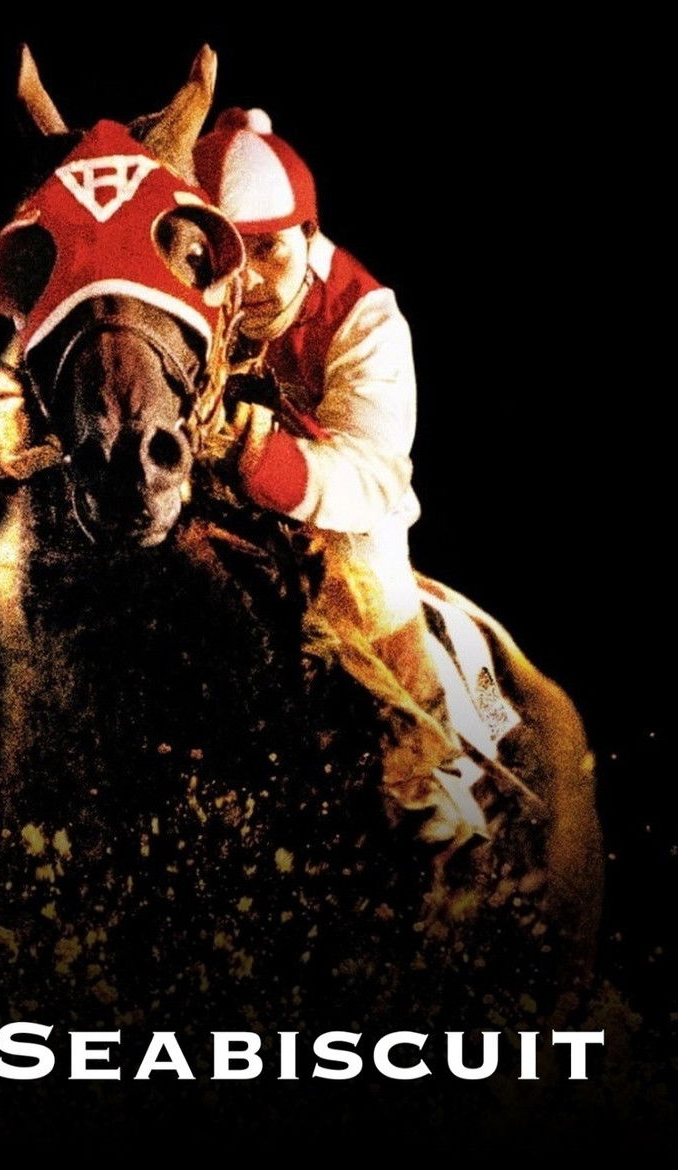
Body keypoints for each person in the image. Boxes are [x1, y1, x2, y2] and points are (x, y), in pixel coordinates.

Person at [194, 110, 489, 843]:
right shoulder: (180, 291)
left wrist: (255, 456)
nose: (246, 280)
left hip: (337, 510)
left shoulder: (367, 318)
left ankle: (428, 775)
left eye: (268, 249)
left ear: (308, 233)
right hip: (210, 498)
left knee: (370, 565)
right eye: (224, 253)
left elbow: (372, 475)